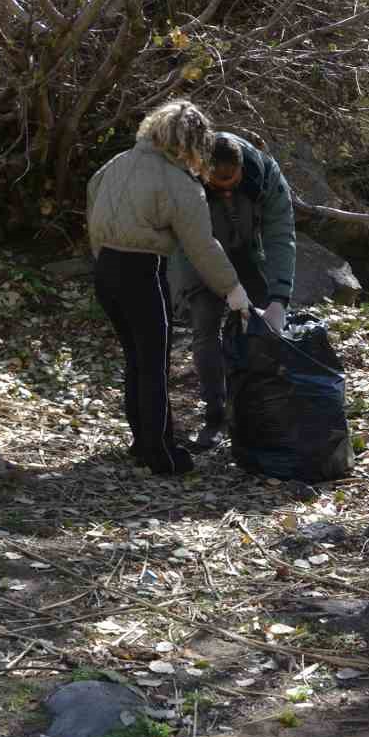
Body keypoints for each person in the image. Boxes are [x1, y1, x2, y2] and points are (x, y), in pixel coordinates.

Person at [88, 100, 251, 475]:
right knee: (154, 365)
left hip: (106, 269)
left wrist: (104, 256)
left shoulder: (114, 165)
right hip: (140, 272)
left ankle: (140, 442)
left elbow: (94, 208)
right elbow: (202, 246)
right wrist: (232, 288)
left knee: (135, 359)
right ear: (194, 143)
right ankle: (159, 453)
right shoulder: (178, 183)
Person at [171, 131, 297, 451]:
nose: (225, 189)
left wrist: (279, 299)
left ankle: (263, 407)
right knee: (205, 330)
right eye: (217, 184)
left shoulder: (266, 176)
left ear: (242, 168)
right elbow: (184, 244)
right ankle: (215, 416)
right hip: (200, 257)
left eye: (232, 181)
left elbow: (280, 234)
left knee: (267, 328)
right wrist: (194, 290)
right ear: (203, 171)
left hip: (247, 254)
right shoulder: (185, 179)